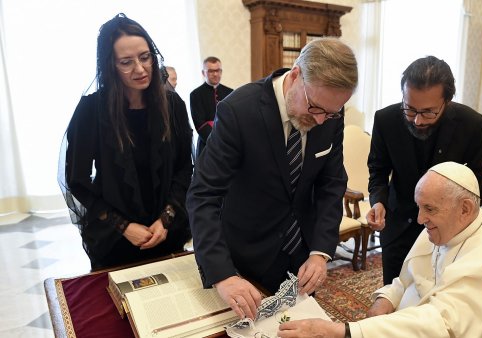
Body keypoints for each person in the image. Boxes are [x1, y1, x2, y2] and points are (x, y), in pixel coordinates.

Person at [186, 38, 358, 320]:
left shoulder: (329, 115)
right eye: (314, 107)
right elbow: (203, 195)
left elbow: (331, 184)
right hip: (246, 259)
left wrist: (320, 251)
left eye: (332, 113)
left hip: (302, 255)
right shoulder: (239, 111)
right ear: (295, 75)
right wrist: (223, 275)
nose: (320, 121)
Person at [278, 162, 482, 338]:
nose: (419, 219)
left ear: (465, 209)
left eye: (429, 209)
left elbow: (442, 325)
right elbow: (406, 279)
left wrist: (343, 331)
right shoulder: (446, 227)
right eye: (420, 207)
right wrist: (387, 300)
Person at [58, 13, 193, 270]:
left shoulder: (173, 105)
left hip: (166, 232)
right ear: (110, 65)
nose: (140, 69)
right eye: (126, 62)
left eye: (145, 58)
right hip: (114, 238)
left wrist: (166, 218)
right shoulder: (91, 110)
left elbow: (185, 169)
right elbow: (78, 180)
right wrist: (124, 227)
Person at [367, 56, 482, 285]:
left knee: (438, 297)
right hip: (398, 224)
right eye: (410, 109)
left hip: (447, 231)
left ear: (447, 101)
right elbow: (378, 169)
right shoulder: (386, 120)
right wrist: (378, 202)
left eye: (429, 112)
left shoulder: (470, 123)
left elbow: (475, 182)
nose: (418, 121)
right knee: (394, 292)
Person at [189, 56, 234, 156]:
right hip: (207, 145)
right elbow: (199, 123)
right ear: (203, 73)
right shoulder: (195, 95)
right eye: (211, 71)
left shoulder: (231, 92)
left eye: (218, 70)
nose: (215, 74)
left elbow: (233, 120)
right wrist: (216, 142)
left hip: (228, 144)